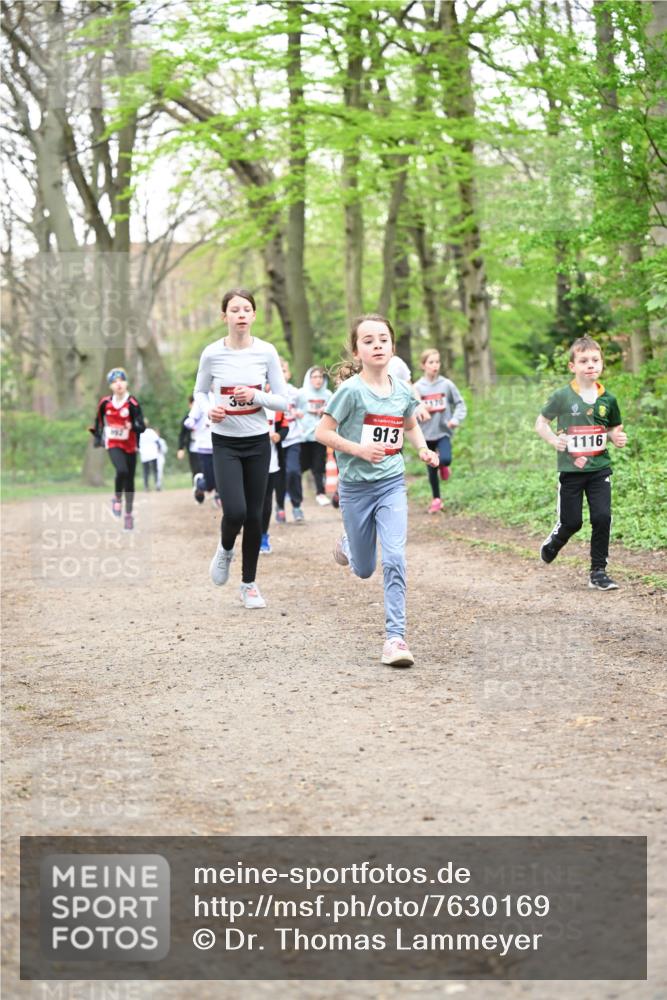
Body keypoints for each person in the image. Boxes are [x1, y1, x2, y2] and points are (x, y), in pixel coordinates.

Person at [315, 314, 438, 668]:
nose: (377, 345)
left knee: (396, 558)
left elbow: (409, 424)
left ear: (393, 346)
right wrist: (358, 450)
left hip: (390, 484)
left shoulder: (401, 389)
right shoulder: (350, 392)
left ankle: (395, 639)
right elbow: (322, 433)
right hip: (355, 488)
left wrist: (422, 449)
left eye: (383, 339)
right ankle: (349, 544)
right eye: (368, 341)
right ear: (357, 352)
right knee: (365, 568)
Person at [192, 288, 288, 608]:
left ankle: (249, 584)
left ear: (254, 315)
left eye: (247, 309)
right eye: (235, 310)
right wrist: (210, 410)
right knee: (235, 511)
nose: (241, 314)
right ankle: (225, 549)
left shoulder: (266, 352)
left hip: (258, 441)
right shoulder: (211, 354)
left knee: (256, 516)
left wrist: (256, 397)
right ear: (225, 317)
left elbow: (283, 400)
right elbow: (201, 392)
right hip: (225, 442)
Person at [535, 335, 627, 590]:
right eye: (584, 360)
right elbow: (540, 423)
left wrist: (616, 437)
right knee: (572, 522)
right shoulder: (562, 396)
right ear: (572, 366)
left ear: (602, 364)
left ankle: (598, 571)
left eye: (595, 360)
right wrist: (555, 441)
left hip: (600, 469)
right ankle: (554, 543)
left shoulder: (608, 399)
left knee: (602, 517)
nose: (591, 365)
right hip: (571, 470)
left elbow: (613, 428)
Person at [90, 367, 145, 531]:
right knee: (121, 470)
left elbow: (141, 426)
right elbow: (98, 421)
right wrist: (98, 437)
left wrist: (132, 425)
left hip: (130, 445)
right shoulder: (105, 403)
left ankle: (128, 515)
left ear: (126, 383)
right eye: (114, 382)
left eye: (121, 380)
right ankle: (117, 498)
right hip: (113, 443)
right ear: (110, 386)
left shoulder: (132, 403)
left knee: (129, 482)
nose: (118, 384)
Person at [414, 348, 467, 513]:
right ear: (423, 365)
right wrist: (421, 410)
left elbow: (460, 403)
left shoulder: (446, 384)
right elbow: (411, 411)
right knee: (431, 468)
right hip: (425, 435)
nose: (435, 365)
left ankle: (444, 466)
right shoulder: (417, 388)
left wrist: (455, 419)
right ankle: (436, 499)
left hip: (443, 431)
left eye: (437, 362)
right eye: (431, 362)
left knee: (445, 459)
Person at [274, 358, 306, 523]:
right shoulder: (268, 392)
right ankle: (279, 506)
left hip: (293, 438)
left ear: (289, 373)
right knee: (278, 475)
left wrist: (300, 413)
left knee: (293, 471)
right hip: (275, 441)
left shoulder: (296, 392)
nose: (281, 373)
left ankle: (296, 505)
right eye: (277, 370)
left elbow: (303, 407)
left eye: (284, 370)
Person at [298, 365, 332, 505]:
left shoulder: (328, 395)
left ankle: (320, 493)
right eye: (315, 377)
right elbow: (291, 408)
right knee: (301, 465)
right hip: (303, 436)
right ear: (309, 378)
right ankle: (295, 493)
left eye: (320, 377)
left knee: (318, 465)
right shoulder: (301, 394)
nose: (318, 380)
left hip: (319, 435)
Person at [260, 401, 288, 554]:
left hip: (271, 461)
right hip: (247, 460)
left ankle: (263, 536)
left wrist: (279, 435)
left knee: (266, 501)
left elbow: (285, 426)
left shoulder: (275, 405)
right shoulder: (244, 402)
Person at [184, 393, 218, 505]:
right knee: (209, 485)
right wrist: (201, 426)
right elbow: (188, 422)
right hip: (205, 447)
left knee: (222, 477)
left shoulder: (223, 396)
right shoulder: (201, 400)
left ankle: (219, 498)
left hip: (221, 446)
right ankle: (199, 483)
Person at [176, 396, 202, 479]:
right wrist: (180, 448)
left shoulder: (205, 416)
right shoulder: (187, 418)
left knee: (206, 467)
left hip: (205, 445)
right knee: (195, 468)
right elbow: (182, 434)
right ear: (190, 405)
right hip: (192, 446)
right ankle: (197, 488)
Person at [138, 420, 161, 491]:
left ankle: (146, 486)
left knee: (146, 471)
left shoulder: (139, 433)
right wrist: (159, 449)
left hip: (144, 455)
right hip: (153, 453)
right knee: (155, 470)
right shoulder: (151, 431)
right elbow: (157, 442)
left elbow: (137, 444)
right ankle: (157, 485)